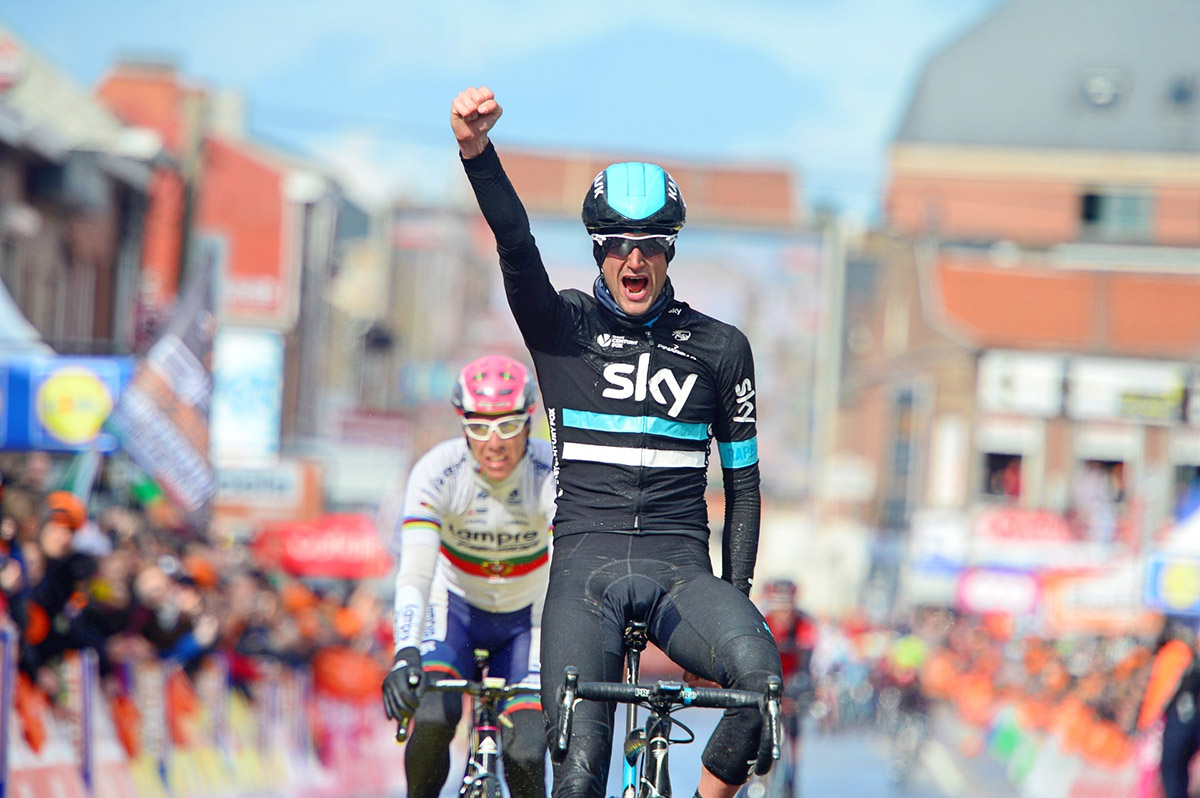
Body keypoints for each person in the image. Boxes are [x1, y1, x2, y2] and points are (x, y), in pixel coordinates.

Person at [451, 86, 781, 798]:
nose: (636, 260)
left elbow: (745, 489)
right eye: (620, 246)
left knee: (759, 679)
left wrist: (736, 599)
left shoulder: (721, 349)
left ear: (669, 250)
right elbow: (515, 242)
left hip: (681, 573)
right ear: (600, 252)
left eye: (653, 245)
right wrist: (477, 153)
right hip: (585, 575)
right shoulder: (560, 328)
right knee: (578, 777)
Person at [381, 354, 556, 798]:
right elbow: (415, 574)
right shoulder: (437, 472)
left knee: (527, 751)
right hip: (454, 608)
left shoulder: (553, 472)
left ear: (530, 422)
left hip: (529, 621)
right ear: (462, 425)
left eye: (508, 426)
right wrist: (404, 652)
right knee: (435, 718)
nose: (494, 443)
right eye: (479, 427)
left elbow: (573, 570)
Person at [761, 579, 817, 786]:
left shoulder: (804, 623)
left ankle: (792, 772)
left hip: (794, 678)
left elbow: (807, 659)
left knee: (794, 721)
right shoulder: (764, 620)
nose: (783, 610)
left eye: (787, 603)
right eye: (778, 603)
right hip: (768, 675)